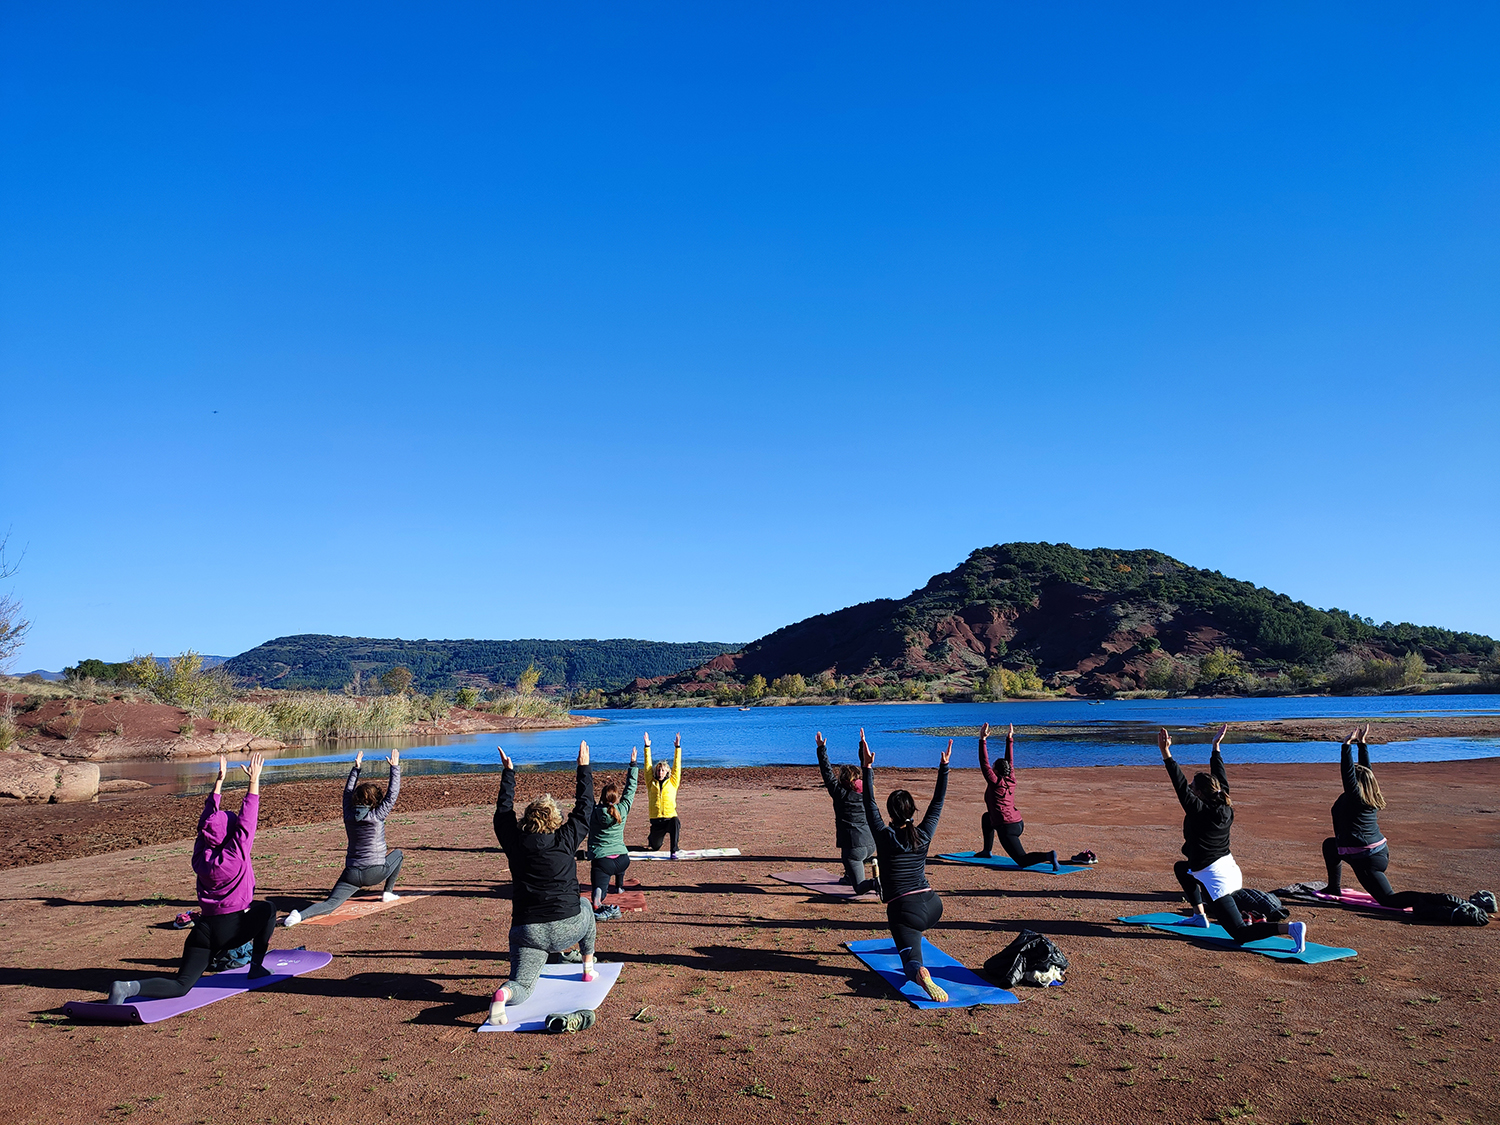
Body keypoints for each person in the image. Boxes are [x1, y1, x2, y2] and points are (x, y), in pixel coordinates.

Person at [104, 753, 278, 1004]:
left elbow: (205, 825)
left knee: (181, 984)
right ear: (230, 834)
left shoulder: (201, 855)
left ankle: (127, 988)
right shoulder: (235, 855)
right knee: (269, 908)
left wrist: (218, 784)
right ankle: (257, 966)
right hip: (231, 930)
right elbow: (247, 822)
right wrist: (254, 782)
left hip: (204, 930)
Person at [1160, 725, 1308, 952]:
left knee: (1239, 933)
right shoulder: (1224, 803)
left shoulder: (1200, 811)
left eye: (1193, 788)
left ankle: (1291, 929)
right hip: (1227, 867)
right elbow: (1220, 777)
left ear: (1199, 793)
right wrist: (1215, 748)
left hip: (1214, 878)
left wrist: (1166, 754)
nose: (1190, 789)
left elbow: (1179, 786)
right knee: (1182, 868)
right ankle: (1200, 915)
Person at [1323, 726, 1490, 925]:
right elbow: (1366, 771)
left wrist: (1345, 747)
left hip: (1365, 859)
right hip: (1375, 851)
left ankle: (1439, 900)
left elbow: (1348, 775)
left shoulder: (1355, 798)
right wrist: (1363, 744)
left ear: (1356, 784)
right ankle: (1334, 887)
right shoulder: (1369, 794)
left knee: (1389, 900)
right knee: (1330, 846)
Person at [488, 740, 599, 1027]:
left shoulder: (514, 842)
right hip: (567, 928)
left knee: (522, 985)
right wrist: (583, 768)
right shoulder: (565, 840)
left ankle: (503, 994)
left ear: (527, 820)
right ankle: (588, 965)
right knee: (586, 906)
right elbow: (586, 807)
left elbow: (502, 814)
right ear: (556, 820)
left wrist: (508, 774)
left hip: (528, 932)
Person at [860, 728, 952, 1002]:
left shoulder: (884, 835)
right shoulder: (922, 834)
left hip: (905, 911)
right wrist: (944, 767)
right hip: (933, 905)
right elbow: (938, 802)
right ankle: (914, 946)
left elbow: (869, 803)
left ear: (891, 813)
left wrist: (867, 768)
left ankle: (919, 972)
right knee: (913, 931)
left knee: (910, 960)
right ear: (913, 812)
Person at [283, 748, 403, 927]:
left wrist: (356, 769)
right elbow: (391, 795)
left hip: (352, 873)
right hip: (375, 872)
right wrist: (395, 768)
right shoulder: (377, 815)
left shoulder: (348, 814)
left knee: (330, 905)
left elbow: (347, 793)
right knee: (399, 854)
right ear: (374, 802)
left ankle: (299, 916)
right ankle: (388, 892)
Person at [974, 722, 1058, 871]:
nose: (991, 769)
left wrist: (983, 740)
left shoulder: (995, 782)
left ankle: (1048, 856)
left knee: (1022, 860)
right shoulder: (1011, 778)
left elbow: (984, 763)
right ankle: (987, 851)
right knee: (987, 817)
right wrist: (1009, 738)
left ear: (997, 772)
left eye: (994, 768)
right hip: (1018, 822)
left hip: (1007, 827)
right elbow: (1010, 761)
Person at [816, 731, 879, 895]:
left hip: (854, 849)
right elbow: (867, 769)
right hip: (872, 843)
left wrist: (822, 749)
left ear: (842, 779)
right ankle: (849, 875)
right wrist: (862, 745)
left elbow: (827, 772)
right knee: (853, 864)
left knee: (859, 888)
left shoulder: (839, 793)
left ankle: (875, 883)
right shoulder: (867, 791)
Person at [588, 746, 639, 920]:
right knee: (616, 860)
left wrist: (584, 767)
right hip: (623, 859)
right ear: (616, 799)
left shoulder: (594, 812)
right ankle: (619, 886)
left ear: (602, 798)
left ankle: (598, 898)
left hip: (604, 862)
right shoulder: (622, 809)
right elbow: (630, 790)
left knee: (599, 890)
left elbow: (586, 798)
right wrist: (633, 764)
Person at [642, 732, 682, 857]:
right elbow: (647, 766)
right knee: (655, 847)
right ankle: (652, 839)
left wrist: (677, 748)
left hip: (669, 818)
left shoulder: (673, 782)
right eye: (658, 770)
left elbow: (677, 766)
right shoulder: (650, 782)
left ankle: (674, 850)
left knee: (676, 822)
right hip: (656, 821)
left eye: (663, 770)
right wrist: (647, 747)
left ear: (667, 772)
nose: (660, 772)